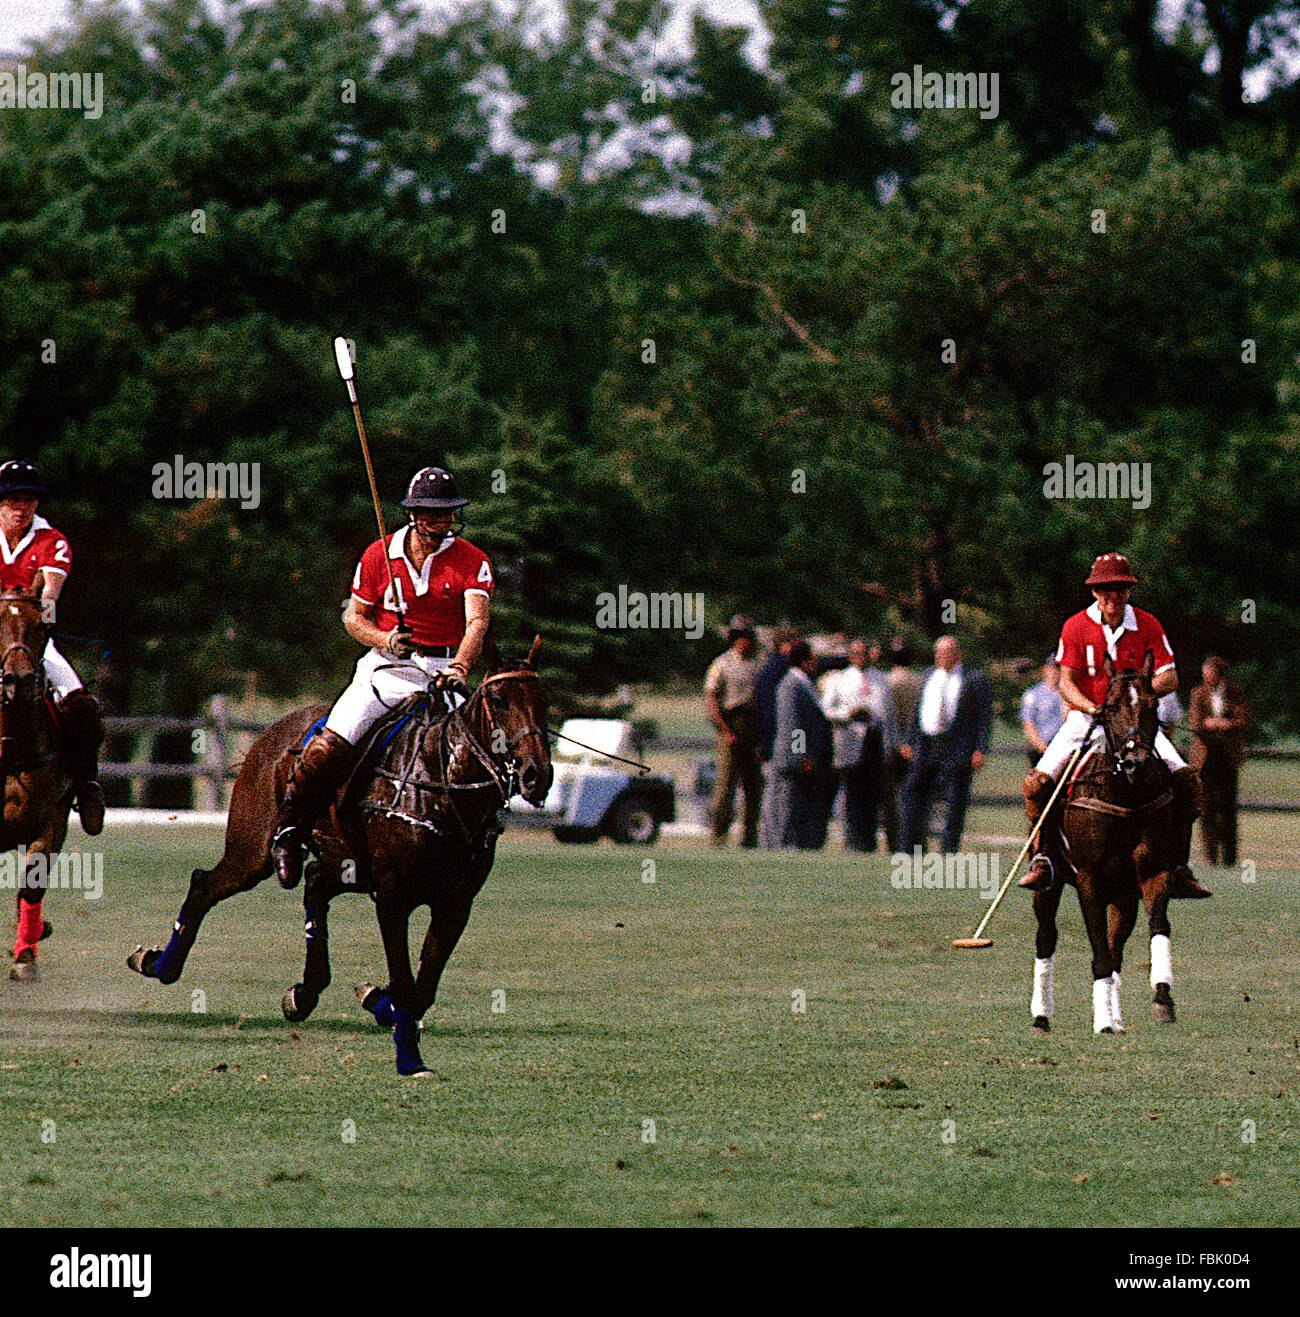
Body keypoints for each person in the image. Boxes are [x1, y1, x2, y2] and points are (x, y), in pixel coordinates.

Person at [270, 466, 493, 889]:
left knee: (480, 751)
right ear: (413, 514)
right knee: (330, 744)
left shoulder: (472, 560)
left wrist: (461, 667)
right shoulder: (378, 556)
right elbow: (353, 618)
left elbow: (477, 624)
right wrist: (386, 640)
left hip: (444, 672)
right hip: (386, 670)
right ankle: (289, 829)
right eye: (432, 513)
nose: (442, 522)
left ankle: (479, 836)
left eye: (448, 513)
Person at [1019, 552, 1208, 897]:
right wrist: (1092, 706)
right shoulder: (1075, 625)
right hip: (1086, 718)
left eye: (1119, 589)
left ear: (1128, 590)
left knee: (1186, 778)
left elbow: (1171, 675)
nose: (1112, 597)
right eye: (1104, 590)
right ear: (1094, 592)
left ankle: (1179, 867)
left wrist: (1140, 693)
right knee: (1038, 782)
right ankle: (1042, 859)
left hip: (1135, 722)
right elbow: (1065, 682)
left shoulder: (1148, 623)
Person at [0, 460, 105, 835]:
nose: (21, 508)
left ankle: (85, 783)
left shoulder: (53, 541)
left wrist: (36, 620)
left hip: (30, 639)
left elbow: (51, 594)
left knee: (80, 702)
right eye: (13, 499)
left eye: (28, 500)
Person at [898, 637, 992, 853]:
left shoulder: (973, 678)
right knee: (912, 793)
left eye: (947, 652)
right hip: (927, 744)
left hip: (958, 747)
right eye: (939, 652)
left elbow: (984, 717)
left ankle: (948, 849)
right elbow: (917, 712)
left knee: (955, 801)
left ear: (958, 653)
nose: (942, 656)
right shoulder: (928, 676)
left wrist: (980, 749)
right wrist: (909, 741)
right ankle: (910, 847)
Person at [821, 639, 887, 850]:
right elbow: (826, 710)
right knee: (852, 793)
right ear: (850, 656)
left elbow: (888, 714)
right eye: (856, 653)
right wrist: (847, 714)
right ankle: (853, 840)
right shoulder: (840, 679)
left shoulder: (880, 679)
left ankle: (869, 841)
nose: (861, 657)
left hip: (873, 739)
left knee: (872, 793)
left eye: (864, 653)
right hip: (850, 740)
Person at [703, 614, 763, 848]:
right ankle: (718, 836)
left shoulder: (760, 663)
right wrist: (724, 729)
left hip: (753, 727)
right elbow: (711, 698)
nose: (746, 641)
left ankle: (749, 838)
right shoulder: (722, 663)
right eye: (742, 636)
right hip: (731, 725)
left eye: (749, 636)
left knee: (753, 786)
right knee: (725, 786)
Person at [769, 641, 832, 849]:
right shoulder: (791, 685)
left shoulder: (805, 684)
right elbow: (793, 725)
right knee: (787, 809)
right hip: (794, 762)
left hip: (806, 760)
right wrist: (800, 756)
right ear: (805, 661)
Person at [1188, 657, 1250, 867]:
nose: (1206, 678)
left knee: (1228, 807)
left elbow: (1244, 720)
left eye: (1209, 674)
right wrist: (1214, 724)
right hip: (1205, 759)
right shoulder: (1197, 694)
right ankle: (1210, 856)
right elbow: (1195, 722)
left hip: (1227, 757)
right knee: (1206, 808)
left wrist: (1226, 724)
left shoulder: (1235, 693)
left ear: (1220, 674)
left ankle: (1229, 858)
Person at [755, 625, 799, 848]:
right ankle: (775, 841)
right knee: (778, 796)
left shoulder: (770, 672)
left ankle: (772, 840)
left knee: (774, 795)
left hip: (772, 743)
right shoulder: (786, 674)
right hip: (780, 744)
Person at [881, 636, 922, 851]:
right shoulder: (919, 680)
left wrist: (899, 743)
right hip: (916, 747)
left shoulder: (889, 681)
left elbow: (891, 718)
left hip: (893, 750)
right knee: (914, 797)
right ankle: (917, 842)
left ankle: (897, 843)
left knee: (893, 801)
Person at [1021, 657, 1066, 769]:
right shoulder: (1033, 695)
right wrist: (1043, 747)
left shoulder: (1067, 694)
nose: (1054, 673)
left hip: (1064, 748)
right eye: (1051, 669)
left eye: (1057, 669)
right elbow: (1028, 725)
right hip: (1041, 748)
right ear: (1045, 670)